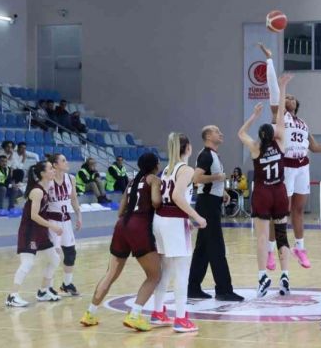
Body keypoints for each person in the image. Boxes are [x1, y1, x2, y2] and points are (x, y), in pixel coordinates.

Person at [259, 43, 321, 270]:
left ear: (297, 104)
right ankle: (270, 251)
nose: (288, 98)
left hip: (302, 166)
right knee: (280, 212)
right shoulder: (280, 117)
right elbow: (273, 91)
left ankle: (300, 247)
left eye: (291, 97)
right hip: (286, 165)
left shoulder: (303, 123)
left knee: (298, 210)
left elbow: (316, 148)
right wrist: (269, 61)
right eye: (286, 96)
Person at [80, 153, 164, 331]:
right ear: (155, 165)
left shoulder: (132, 182)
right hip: (139, 227)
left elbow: (120, 212)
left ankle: (90, 313)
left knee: (111, 274)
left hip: (122, 225)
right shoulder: (154, 180)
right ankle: (134, 315)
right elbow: (156, 202)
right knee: (154, 275)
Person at [238, 74, 293, 298]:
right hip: (279, 191)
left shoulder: (255, 148)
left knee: (262, 237)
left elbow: (240, 133)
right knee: (281, 234)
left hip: (262, 192)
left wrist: (254, 115)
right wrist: (282, 87)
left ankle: (262, 276)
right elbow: (280, 116)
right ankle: (285, 275)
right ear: (274, 134)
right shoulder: (281, 143)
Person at [151, 134, 208, 333]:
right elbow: (177, 196)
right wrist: (197, 217)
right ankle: (181, 318)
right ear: (189, 148)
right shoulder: (186, 169)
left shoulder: (167, 169)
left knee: (165, 269)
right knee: (182, 271)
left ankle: (158, 312)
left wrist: (185, 219)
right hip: (173, 223)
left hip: (160, 220)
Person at [187, 125, 244, 302]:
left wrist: (223, 192)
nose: (221, 134)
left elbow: (211, 181)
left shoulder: (213, 155)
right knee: (217, 248)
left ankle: (193, 288)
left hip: (211, 202)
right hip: (207, 205)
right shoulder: (206, 155)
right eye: (217, 132)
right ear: (208, 136)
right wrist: (216, 178)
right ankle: (223, 290)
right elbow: (196, 178)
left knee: (203, 249)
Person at [5, 161, 62, 307]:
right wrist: (53, 226)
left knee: (54, 259)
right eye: (50, 168)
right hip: (29, 231)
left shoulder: (46, 187)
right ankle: (12, 296)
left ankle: (43, 291)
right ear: (43, 173)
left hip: (40, 231)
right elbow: (34, 216)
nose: (53, 170)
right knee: (28, 263)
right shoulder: (37, 191)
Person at [47, 154, 83, 297]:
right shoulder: (48, 180)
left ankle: (67, 285)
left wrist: (79, 215)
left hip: (66, 220)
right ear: (55, 165)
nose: (67, 162)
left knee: (70, 253)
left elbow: (73, 198)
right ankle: (47, 287)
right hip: (51, 221)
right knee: (53, 256)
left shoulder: (70, 178)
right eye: (63, 160)